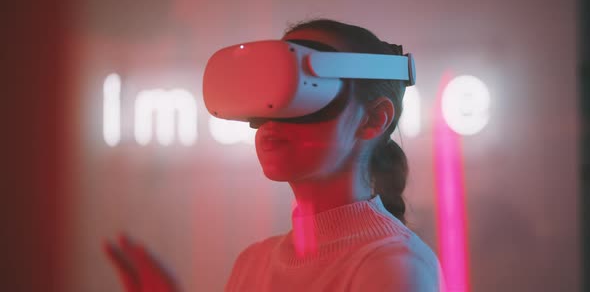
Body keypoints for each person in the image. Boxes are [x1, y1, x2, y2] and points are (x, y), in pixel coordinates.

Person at [104, 18, 444, 291]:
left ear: (371, 120)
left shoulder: (394, 267)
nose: (274, 115)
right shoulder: (254, 262)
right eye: (270, 90)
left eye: (301, 90)